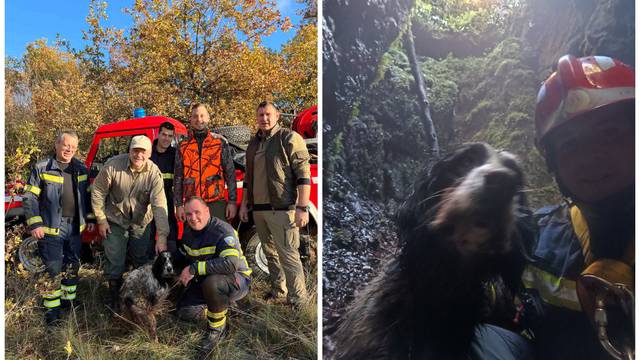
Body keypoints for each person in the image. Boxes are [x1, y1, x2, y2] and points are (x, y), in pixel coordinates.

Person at [521, 55, 634, 359]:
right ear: (553, 163)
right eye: (570, 145)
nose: (589, 158)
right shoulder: (535, 237)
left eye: (609, 133)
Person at [239, 101, 311, 307]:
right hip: (259, 210)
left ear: (277, 115)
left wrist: (302, 207)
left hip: (282, 209)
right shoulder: (253, 144)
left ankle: (299, 300)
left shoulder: (288, 138)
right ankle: (279, 292)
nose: (264, 118)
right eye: (260, 115)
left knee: (288, 255)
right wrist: (245, 205)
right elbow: (247, 179)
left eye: (268, 114)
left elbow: (303, 174)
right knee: (270, 254)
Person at [23, 130, 95, 325]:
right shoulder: (42, 168)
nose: (69, 149)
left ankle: (68, 302)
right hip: (50, 228)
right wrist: (35, 223)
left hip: (74, 228)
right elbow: (30, 197)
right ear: (57, 145)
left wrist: (90, 219)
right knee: (52, 269)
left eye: (73, 146)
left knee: (72, 266)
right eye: (66, 145)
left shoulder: (81, 168)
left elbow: (87, 197)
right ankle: (51, 310)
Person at [91, 135, 170, 311]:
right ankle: (114, 300)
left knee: (140, 258)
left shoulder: (154, 173)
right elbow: (97, 191)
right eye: (135, 150)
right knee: (114, 259)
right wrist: (101, 220)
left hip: (141, 222)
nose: (138, 155)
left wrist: (162, 236)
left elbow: (159, 205)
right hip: (115, 220)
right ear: (129, 150)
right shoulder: (113, 165)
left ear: (149, 153)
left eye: (143, 151)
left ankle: (137, 297)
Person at [175, 196, 251, 351]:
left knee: (213, 283)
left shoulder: (222, 230)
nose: (193, 218)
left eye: (197, 212)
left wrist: (194, 269)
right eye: (189, 214)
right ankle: (222, 306)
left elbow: (230, 264)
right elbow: (185, 258)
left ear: (207, 211)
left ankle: (217, 330)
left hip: (236, 279)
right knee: (185, 312)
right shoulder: (188, 233)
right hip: (205, 280)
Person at [174, 103, 237, 223]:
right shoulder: (182, 146)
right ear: (190, 120)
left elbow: (230, 173)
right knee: (194, 241)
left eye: (202, 116)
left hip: (216, 202)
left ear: (208, 118)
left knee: (218, 239)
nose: (199, 119)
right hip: (192, 204)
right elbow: (178, 177)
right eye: (195, 116)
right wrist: (178, 205)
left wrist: (232, 202)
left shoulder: (219, 142)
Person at [149, 121, 179, 256]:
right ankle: (148, 262)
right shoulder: (148, 153)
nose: (166, 138)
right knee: (148, 233)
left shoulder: (175, 154)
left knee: (170, 231)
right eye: (164, 134)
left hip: (168, 199)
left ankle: (169, 262)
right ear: (158, 134)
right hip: (147, 200)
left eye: (170, 136)